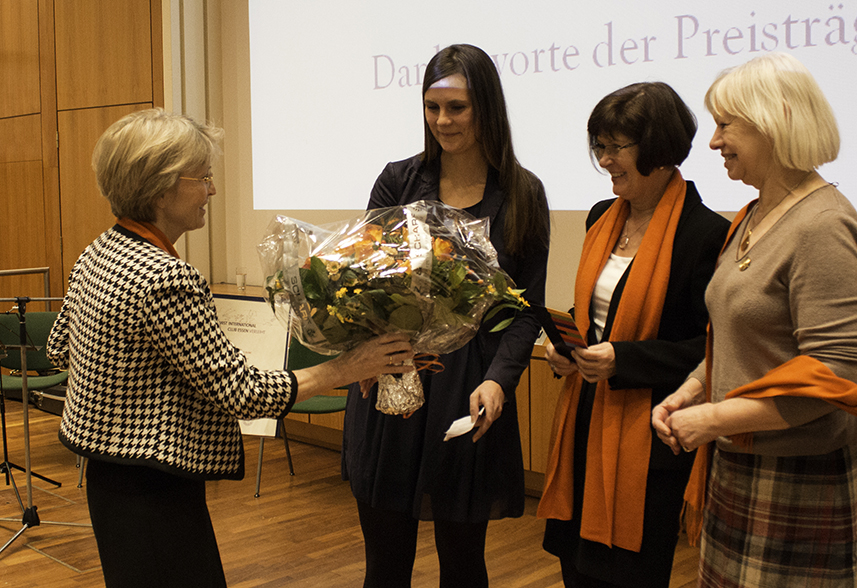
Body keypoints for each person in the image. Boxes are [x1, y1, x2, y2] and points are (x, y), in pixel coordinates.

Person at [45, 108, 414, 588]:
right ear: (160, 189)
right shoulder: (166, 277)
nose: (213, 190)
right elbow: (244, 394)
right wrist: (348, 366)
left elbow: (59, 348)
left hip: (109, 476)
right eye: (203, 178)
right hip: (155, 485)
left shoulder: (99, 251)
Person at [651, 53, 857, 587]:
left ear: (774, 121)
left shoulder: (823, 225)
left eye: (725, 124)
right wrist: (690, 392)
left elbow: (835, 374)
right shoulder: (753, 214)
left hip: (801, 473)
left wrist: (713, 420)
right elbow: (736, 339)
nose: (713, 142)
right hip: (742, 458)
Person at [341, 44, 550, 588]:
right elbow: (366, 282)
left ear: (486, 108)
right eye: (432, 107)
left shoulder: (523, 194)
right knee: (385, 565)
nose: (442, 121)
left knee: (463, 564)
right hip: (394, 383)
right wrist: (363, 352)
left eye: (457, 107)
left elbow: (525, 310)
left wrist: (499, 380)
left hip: (469, 388)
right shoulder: (397, 180)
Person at [537, 82, 730, 588]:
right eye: (599, 146)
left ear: (660, 150)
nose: (604, 160)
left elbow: (711, 348)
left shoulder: (705, 234)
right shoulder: (602, 217)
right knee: (575, 569)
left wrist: (623, 360)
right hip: (584, 422)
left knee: (626, 575)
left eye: (616, 147)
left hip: (648, 439)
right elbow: (597, 313)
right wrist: (566, 347)